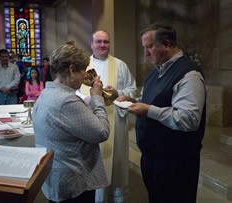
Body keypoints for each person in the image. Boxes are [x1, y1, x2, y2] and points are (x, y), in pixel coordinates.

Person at [118, 22, 206, 203]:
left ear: (166, 44)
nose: (145, 53)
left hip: (176, 163)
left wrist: (148, 110)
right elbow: (152, 102)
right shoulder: (155, 72)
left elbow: (189, 119)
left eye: (149, 47)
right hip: (153, 159)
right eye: (144, 48)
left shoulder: (188, 74)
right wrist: (133, 102)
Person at [32, 44, 110, 203]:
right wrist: (96, 97)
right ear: (72, 70)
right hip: (73, 181)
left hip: (55, 174)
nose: (84, 77)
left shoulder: (47, 93)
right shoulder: (66, 100)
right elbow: (102, 132)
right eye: (83, 71)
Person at [79, 30, 137, 202]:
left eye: (106, 42)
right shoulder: (83, 66)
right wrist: (89, 99)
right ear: (91, 44)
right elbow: (73, 91)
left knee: (114, 162)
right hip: (87, 121)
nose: (102, 45)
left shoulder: (120, 65)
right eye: (98, 42)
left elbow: (133, 90)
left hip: (114, 123)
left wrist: (117, 92)